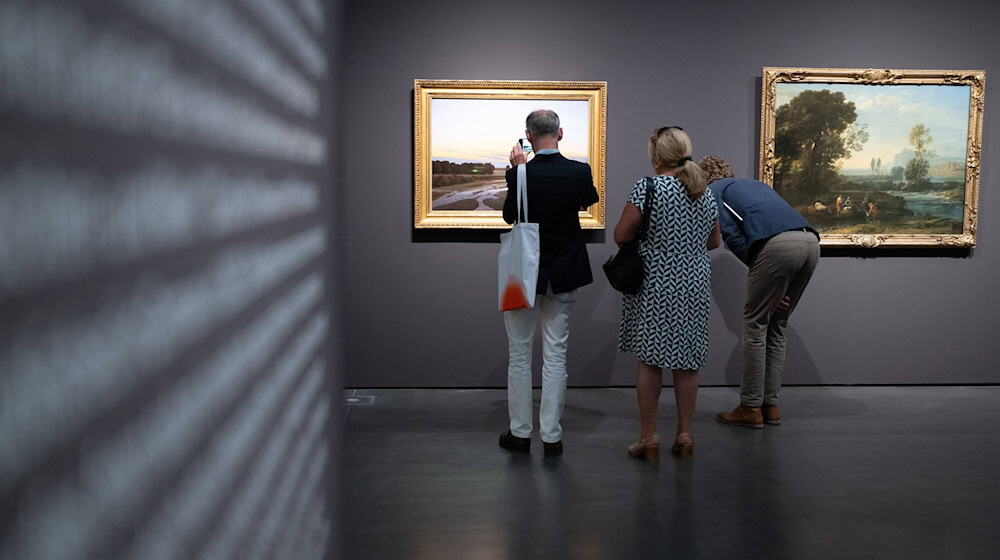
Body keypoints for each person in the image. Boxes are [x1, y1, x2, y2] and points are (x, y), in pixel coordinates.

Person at [614, 127, 721, 461]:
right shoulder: (703, 190)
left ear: (657, 155)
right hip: (693, 283)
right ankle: (685, 435)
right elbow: (715, 241)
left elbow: (621, 234)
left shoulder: (648, 187)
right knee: (688, 361)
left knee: (650, 360)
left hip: (655, 282)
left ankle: (649, 439)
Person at [498, 109, 600, 457]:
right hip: (565, 269)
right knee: (556, 354)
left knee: (519, 354)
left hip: (524, 273)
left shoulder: (522, 173)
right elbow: (588, 199)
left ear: (527, 134)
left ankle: (521, 431)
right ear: (560, 133)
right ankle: (552, 436)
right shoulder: (579, 171)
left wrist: (517, 171)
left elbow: (511, 216)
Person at [698, 155, 820, 428]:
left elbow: (733, 236)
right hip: (810, 241)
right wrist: (776, 285)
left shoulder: (713, 193)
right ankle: (771, 406)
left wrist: (763, 272)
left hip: (777, 247)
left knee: (754, 326)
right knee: (777, 325)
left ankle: (751, 407)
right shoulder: (754, 185)